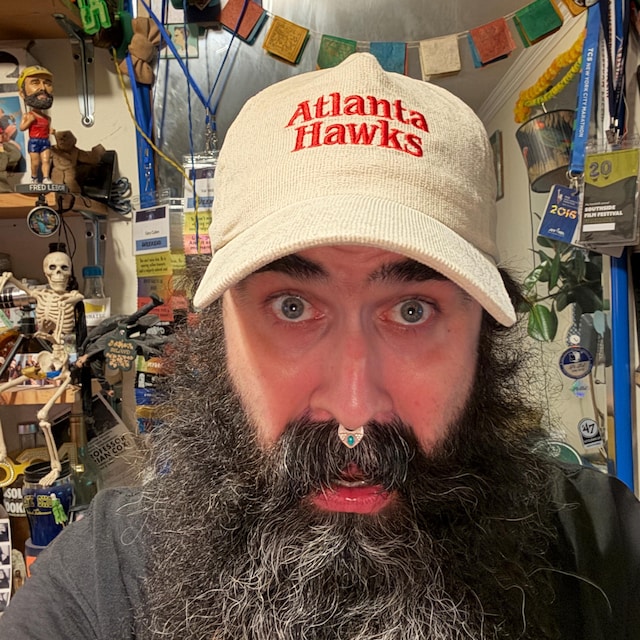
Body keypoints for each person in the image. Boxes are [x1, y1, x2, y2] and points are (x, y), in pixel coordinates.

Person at [1, 53, 639, 639]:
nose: (354, 409)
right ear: (217, 332)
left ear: (483, 338)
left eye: (412, 311)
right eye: (292, 307)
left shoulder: (602, 550)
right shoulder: (101, 586)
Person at [17, 65, 54, 184]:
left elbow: (47, 130)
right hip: (34, 141)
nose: (42, 88)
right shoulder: (28, 115)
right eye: (35, 83)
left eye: (47, 83)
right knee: (35, 162)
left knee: (46, 160)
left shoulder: (47, 118)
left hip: (45, 141)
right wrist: (29, 121)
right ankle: (34, 178)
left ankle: (46, 178)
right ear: (22, 93)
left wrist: (51, 131)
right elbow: (22, 128)